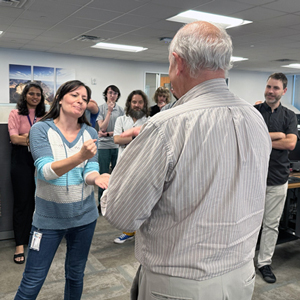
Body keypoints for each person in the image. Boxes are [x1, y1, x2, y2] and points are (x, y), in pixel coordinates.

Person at [101, 21, 271, 300]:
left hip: (181, 284)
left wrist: (112, 188)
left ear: (177, 63)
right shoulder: (255, 118)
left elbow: (122, 215)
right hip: (241, 276)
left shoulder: (166, 126)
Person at [14, 80, 110, 300]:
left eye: (84, 99)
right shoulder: (40, 130)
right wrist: (79, 156)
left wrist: (98, 178)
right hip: (48, 221)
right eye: (75, 95)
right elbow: (46, 171)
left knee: (76, 275)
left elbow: (89, 171)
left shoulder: (89, 132)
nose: (80, 101)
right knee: (32, 280)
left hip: (84, 218)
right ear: (59, 97)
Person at [254, 73, 298, 284]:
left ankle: (264, 263)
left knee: (271, 225)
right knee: (249, 223)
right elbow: (248, 140)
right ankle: (243, 261)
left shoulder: (289, 116)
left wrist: (263, 138)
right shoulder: (253, 112)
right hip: (252, 179)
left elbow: (290, 144)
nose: (270, 91)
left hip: (278, 179)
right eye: (269, 86)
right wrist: (278, 135)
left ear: (284, 91)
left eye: (276, 88)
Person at [8, 82, 46, 264]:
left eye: (38, 94)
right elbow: (14, 138)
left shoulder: (44, 116)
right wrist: (33, 138)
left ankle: (37, 238)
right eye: (31, 94)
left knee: (41, 201)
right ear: (25, 95)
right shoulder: (16, 113)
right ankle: (20, 244)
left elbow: (47, 139)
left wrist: (27, 138)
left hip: (41, 160)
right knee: (23, 202)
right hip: (21, 161)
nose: (35, 97)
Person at [113, 90, 150, 244]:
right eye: (134, 102)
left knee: (142, 197)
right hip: (124, 164)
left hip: (142, 164)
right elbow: (116, 139)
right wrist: (136, 135)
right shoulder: (121, 120)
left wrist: (127, 137)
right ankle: (128, 231)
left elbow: (149, 143)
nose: (137, 105)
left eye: (140, 102)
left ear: (144, 104)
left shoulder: (149, 121)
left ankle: (142, 231)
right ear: (129, 103)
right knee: (126, 198)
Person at [96, 85, 124, 208]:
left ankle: (113, 202)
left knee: (117, 175)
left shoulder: (121, 110)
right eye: (110, 93)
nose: (112, 95)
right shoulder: (100, 109)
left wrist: (108, 134)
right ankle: (101, 202)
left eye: (115, 93)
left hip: (117, 145)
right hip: (103, 146)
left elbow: (122, 130)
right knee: (103, 174)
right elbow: (102, 127)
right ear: (106, 94)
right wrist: (109, 111)